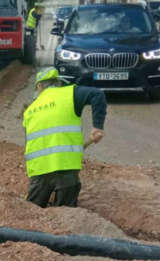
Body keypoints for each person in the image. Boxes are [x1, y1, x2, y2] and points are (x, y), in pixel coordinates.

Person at [22, 67, 107, 208]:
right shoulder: (69, 94)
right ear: (59, 83)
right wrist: (97, 126)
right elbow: (97, 95)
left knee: (32, 213)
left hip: (39, 171)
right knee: (65, 215)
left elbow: (30, 144)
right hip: (66, 168)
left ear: (39, 86)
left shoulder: (29, 110)